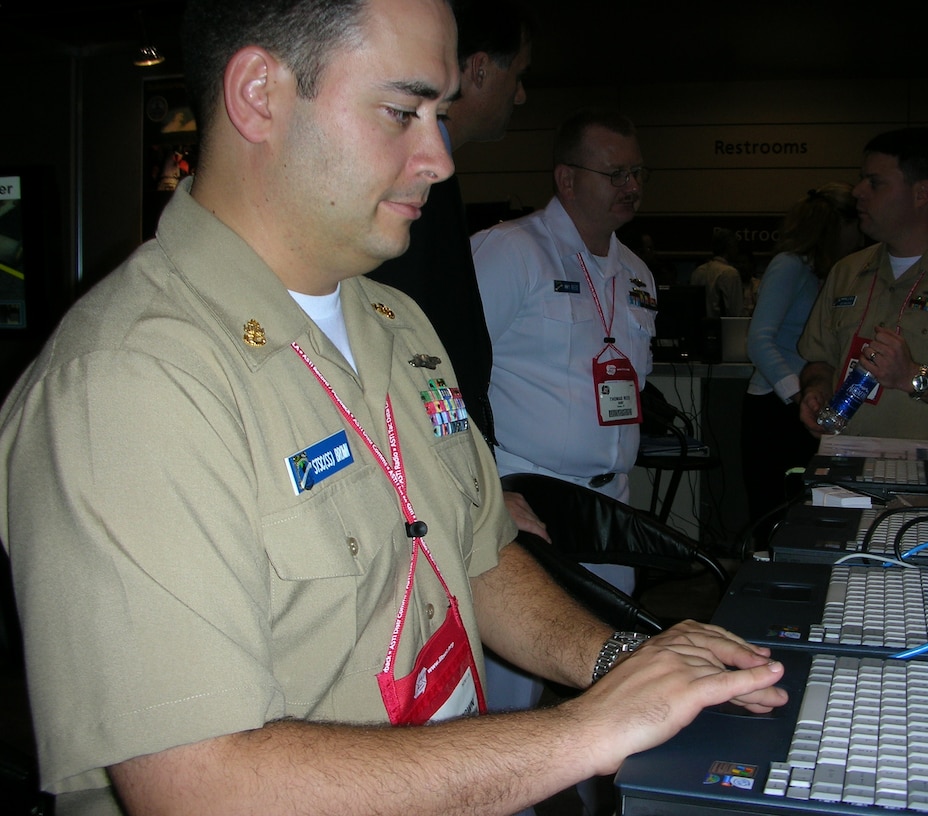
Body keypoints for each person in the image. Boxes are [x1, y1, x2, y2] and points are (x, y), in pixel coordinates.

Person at [0, 1, 788, 814]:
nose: (439, 157)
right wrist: (588, 730)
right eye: (402, 111)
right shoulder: (129, 383)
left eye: (441, 115)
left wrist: (621, 658)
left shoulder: (395, 322)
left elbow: (478, 554)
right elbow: (198, 788)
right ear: (259, 95)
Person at [367, 0, 547, 540]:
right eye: (518, 74)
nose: (520, 94)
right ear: (480, 68)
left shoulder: (438, 180)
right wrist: (465, 488)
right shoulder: (406, 190)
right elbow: (402, 359)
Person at [472, 108, 656, 508]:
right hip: (525, 494)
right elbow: (446, 371)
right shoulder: (510, 252)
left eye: (638, 172)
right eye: (616, 174)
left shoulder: (635, 272)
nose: (632, 186)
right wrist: (483, 490)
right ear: (567, 180)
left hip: (613, 496)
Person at [797, 127, 928, 440]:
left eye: (875, 182)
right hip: (842, 473)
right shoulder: (847, 272)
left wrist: (912, 377)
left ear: (921, 194)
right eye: (862, 178)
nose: (858, 191)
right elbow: (820, 361)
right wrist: (815, 390)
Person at [742, 183, 861, 529]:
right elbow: (758, 341)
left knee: (805, 513)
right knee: (775, 513)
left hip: (802, 403)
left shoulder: (826, 273)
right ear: (839, 225)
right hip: (777, 407)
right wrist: (802, 397)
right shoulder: (790, 265)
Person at [691, 226, 746, 318]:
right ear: (729, 246)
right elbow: (736, 312)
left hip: (699, 329)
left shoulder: (698, 272)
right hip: (723, 328)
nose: (737, 250)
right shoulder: (730, 273)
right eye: (735, 245)